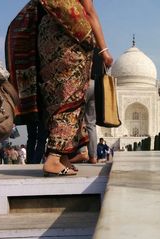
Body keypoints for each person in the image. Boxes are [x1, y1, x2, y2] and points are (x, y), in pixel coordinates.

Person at [7, 0, 113, 176]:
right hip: (69, 38)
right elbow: (89, 11)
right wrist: (104, 51)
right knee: (71, 95)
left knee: (55, 93)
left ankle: (63, 158)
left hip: (47, 36)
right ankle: (54, 158)